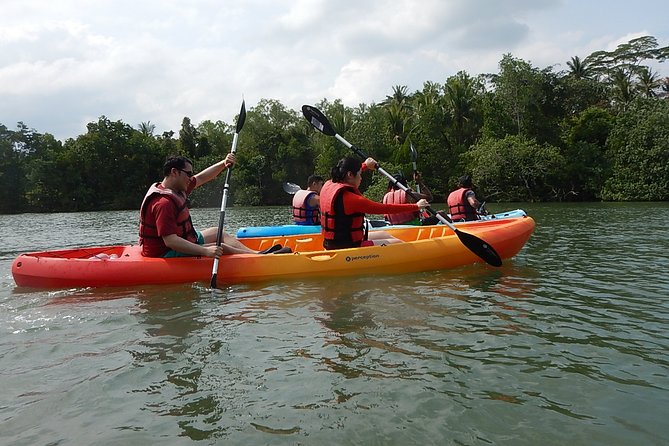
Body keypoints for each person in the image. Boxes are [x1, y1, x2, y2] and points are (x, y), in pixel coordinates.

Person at [139, 154, 290, 258]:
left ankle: (256, 253)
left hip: (183, 239)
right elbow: (170, 241)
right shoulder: (163, 203)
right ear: (174, 172)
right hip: (165, 251)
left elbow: (202, 177)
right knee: (221, 247)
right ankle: (258, 258)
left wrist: (224, 164)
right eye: (188, 174)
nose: (191, 178)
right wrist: (206, 252)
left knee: (218, 233)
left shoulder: (177, 188)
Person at [319, 156, 429, 250]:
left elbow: (346, 172)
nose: (361, 178)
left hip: (333, 242)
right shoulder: (351, 199)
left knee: (385, 234)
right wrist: (416, 206)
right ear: (350, 175)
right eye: (360, 174)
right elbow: (385, 208)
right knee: (398, 244)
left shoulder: (328, 184)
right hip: (348, 247)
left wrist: (365, 165)